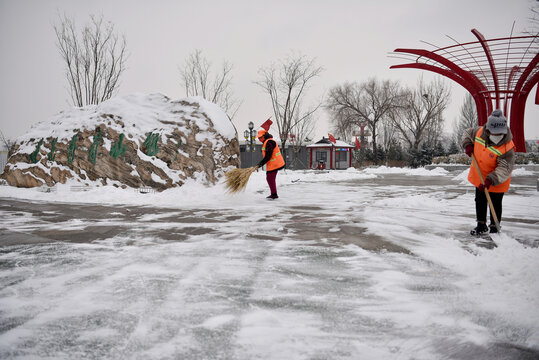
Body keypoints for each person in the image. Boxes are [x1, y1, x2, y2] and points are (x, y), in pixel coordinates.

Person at [461, 109, 515, 236]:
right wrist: (468, 144)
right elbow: (467, 133)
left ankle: (494, 226)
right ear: (488, 129)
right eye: (493, 133)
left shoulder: (508, 147)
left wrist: (491, 179)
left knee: (495, 202)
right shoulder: (479, 132)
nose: (496, 135)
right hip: (479, 175)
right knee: (480, 200)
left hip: (497, 179)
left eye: (499, 133)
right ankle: (481, 225)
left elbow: (505, 168)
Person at [255, 119, 285, 199]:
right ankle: (274, 194)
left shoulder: (269, 142)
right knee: (269, 178)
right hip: (273, 164)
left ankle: (274, 194)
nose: (259, 139)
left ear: (264, 136)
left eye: (260, 138)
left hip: (275, 163)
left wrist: (260, 164)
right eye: (258, 138)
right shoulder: (267, 142)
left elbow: (268, 156)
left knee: (270, 178)